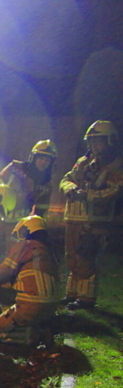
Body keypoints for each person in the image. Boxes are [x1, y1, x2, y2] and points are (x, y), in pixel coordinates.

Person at [59, 120, 123, 310]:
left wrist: (88, 195)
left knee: (86, 255)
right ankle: (72, 293)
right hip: (74, 218)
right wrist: (71, 189)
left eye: (99, 141)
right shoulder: (84, 162)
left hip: (96, 221)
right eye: (92, 141)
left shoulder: (116, 166)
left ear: (110, 142)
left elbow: (114, 190)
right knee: (71, 255)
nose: (95, 146)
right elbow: (67, 179)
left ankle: (86, 298)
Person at [0, 215, 61, 343]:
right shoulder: (48, 251)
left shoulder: (25, 246)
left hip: (31, 304)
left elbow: (4, 272)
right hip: (52, 306)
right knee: (5, 287)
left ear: (25, 231)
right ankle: (35, 328)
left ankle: (28, 337)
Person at [0, 140, 57, 266]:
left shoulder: (46, 185)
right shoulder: (14, 167)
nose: (43, 163)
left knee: (13, 256)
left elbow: (41, 211)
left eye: (47, 161)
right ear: (33, 157)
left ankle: (6, 283)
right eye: (41, 158)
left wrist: (36, 229)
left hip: (18, 223)